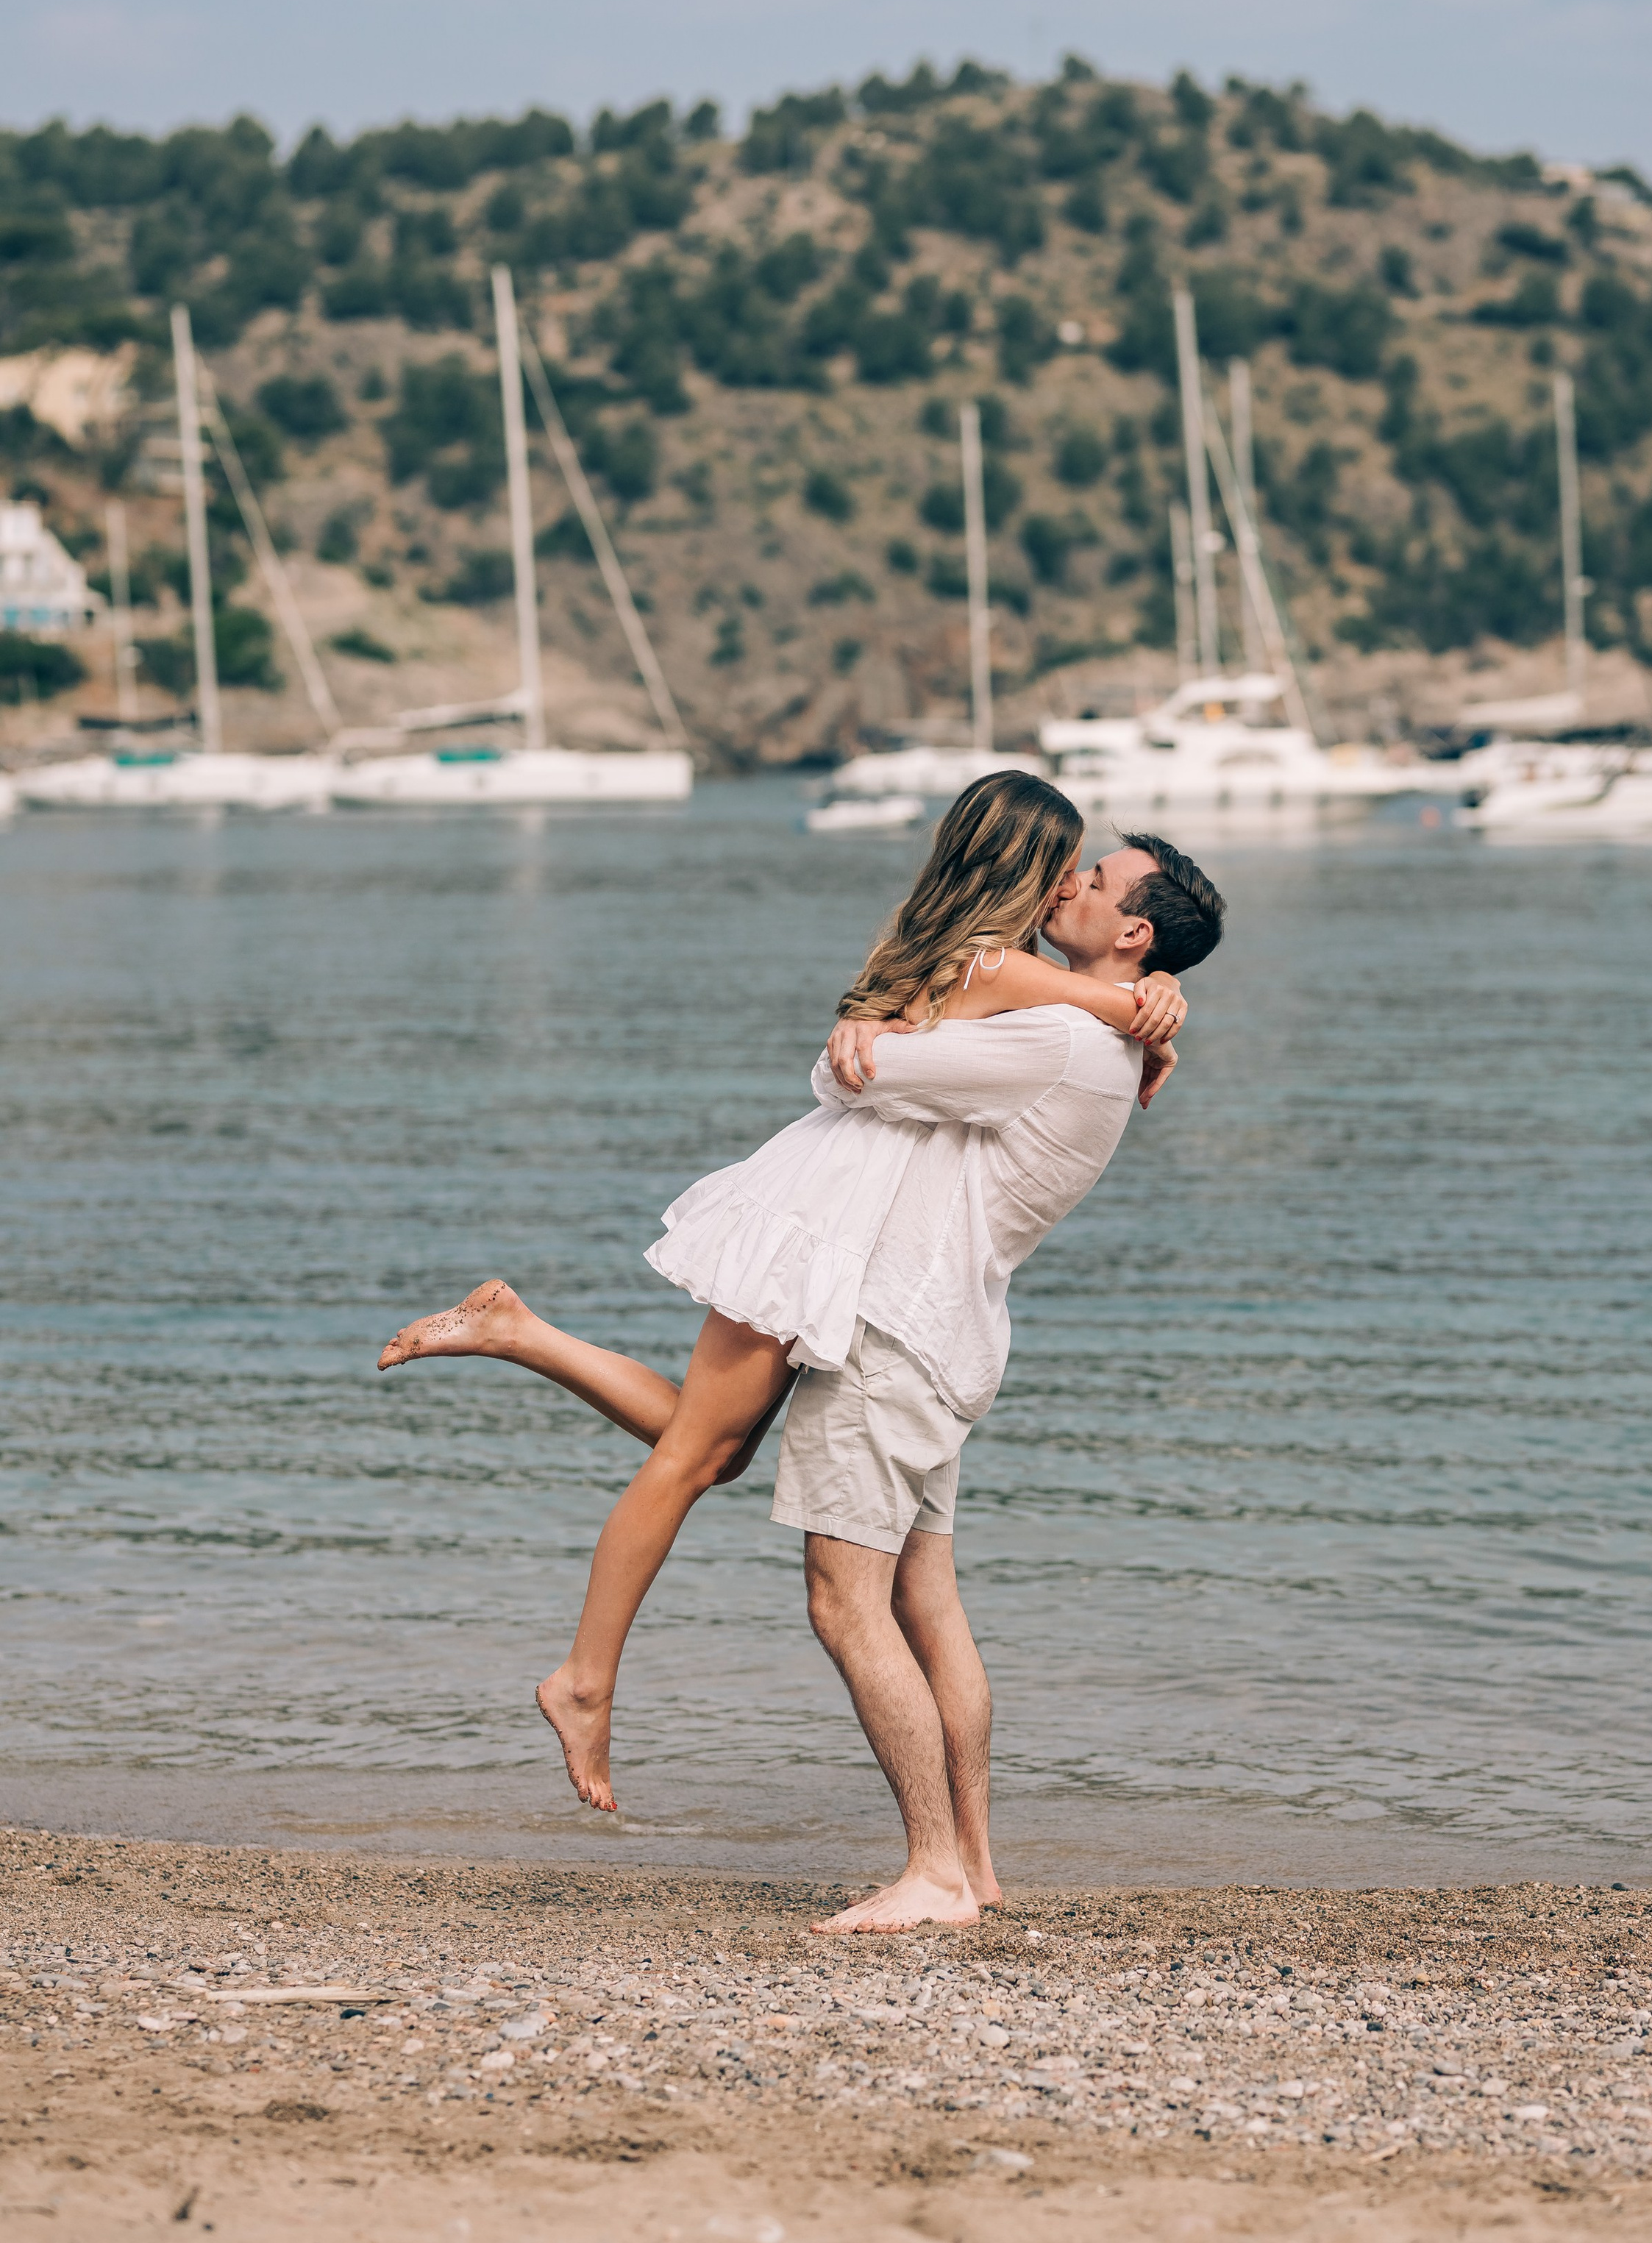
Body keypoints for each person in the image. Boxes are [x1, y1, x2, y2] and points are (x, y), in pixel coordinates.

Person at [378, 775, 1223, 1927]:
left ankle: (931, 1871)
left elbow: (851, 1073)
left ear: (1132, 928)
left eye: (1095, 877)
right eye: (1068, 864)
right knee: (906, 1590)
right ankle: (968, 1865)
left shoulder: (1061, 1040)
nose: (1071, 882)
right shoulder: (1080, 1028)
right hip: (946, 1331)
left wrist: (894, 1031)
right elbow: (954, 1010)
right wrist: (1142, 1005)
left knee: (836, 1594)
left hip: (898, 1329)